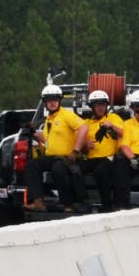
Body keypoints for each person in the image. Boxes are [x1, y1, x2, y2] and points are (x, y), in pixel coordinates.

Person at [24, 84, 88, 212]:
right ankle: (38, 201)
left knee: (58, 169)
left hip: (66, 157)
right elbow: (47, 140)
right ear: (45, 103)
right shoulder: (50, 118)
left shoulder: (66, 115)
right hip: (52, 156)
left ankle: (68, 204)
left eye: (55, 100)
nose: (52, 103)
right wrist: (33, 132)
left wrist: (75, 150)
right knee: (31, 165)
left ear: (59, 101)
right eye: (49, 101)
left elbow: (84, 127)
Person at [80, 90, 123, 212]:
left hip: (109, 157)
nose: (100, 108)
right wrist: (85, 144)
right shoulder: (86, 123)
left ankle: (107, 205)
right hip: (91, 158)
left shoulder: (113, 117)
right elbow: (78, 143)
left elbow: (122, 133)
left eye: (103, 105)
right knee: (74, 169)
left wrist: (111, 126)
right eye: (97, 105)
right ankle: (82, 201)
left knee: (101, 171)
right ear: (91, 107)